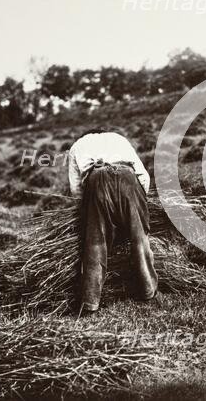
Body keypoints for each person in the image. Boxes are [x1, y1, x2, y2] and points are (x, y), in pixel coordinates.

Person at [68, 129, 158, 315]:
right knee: (139, 237)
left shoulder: (77, 146)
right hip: (127, 177)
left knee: (95, 243)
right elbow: (143, 175)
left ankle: (90, 303)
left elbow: (76, 189)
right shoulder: (118, 138)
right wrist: (139, 203)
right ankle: (148, 291)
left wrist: (87, 213)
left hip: (97, 179)